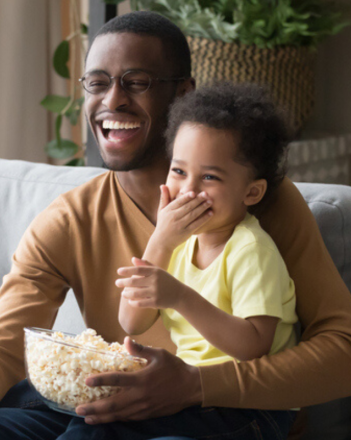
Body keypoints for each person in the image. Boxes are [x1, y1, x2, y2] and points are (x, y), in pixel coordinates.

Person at [0, 10, 351, 440]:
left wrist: (197, 386)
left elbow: (350, 357)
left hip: (223, 419)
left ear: (183, 95)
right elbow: (4, 338)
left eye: (135, 82)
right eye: (97, 83)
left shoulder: (262, 206)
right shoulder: (69, 219)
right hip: (108, 416)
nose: (112, 100)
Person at [113, 82, 301, 436]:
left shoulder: (251, 249)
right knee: (94, 427)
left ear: (252, 191)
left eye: (210, 177)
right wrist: (160, 241)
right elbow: (131, 321)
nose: (188, 190)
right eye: (179, 171)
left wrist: (180, 297)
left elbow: (253, 346)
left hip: (252, 407)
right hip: (190, 398)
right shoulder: (178, 245)